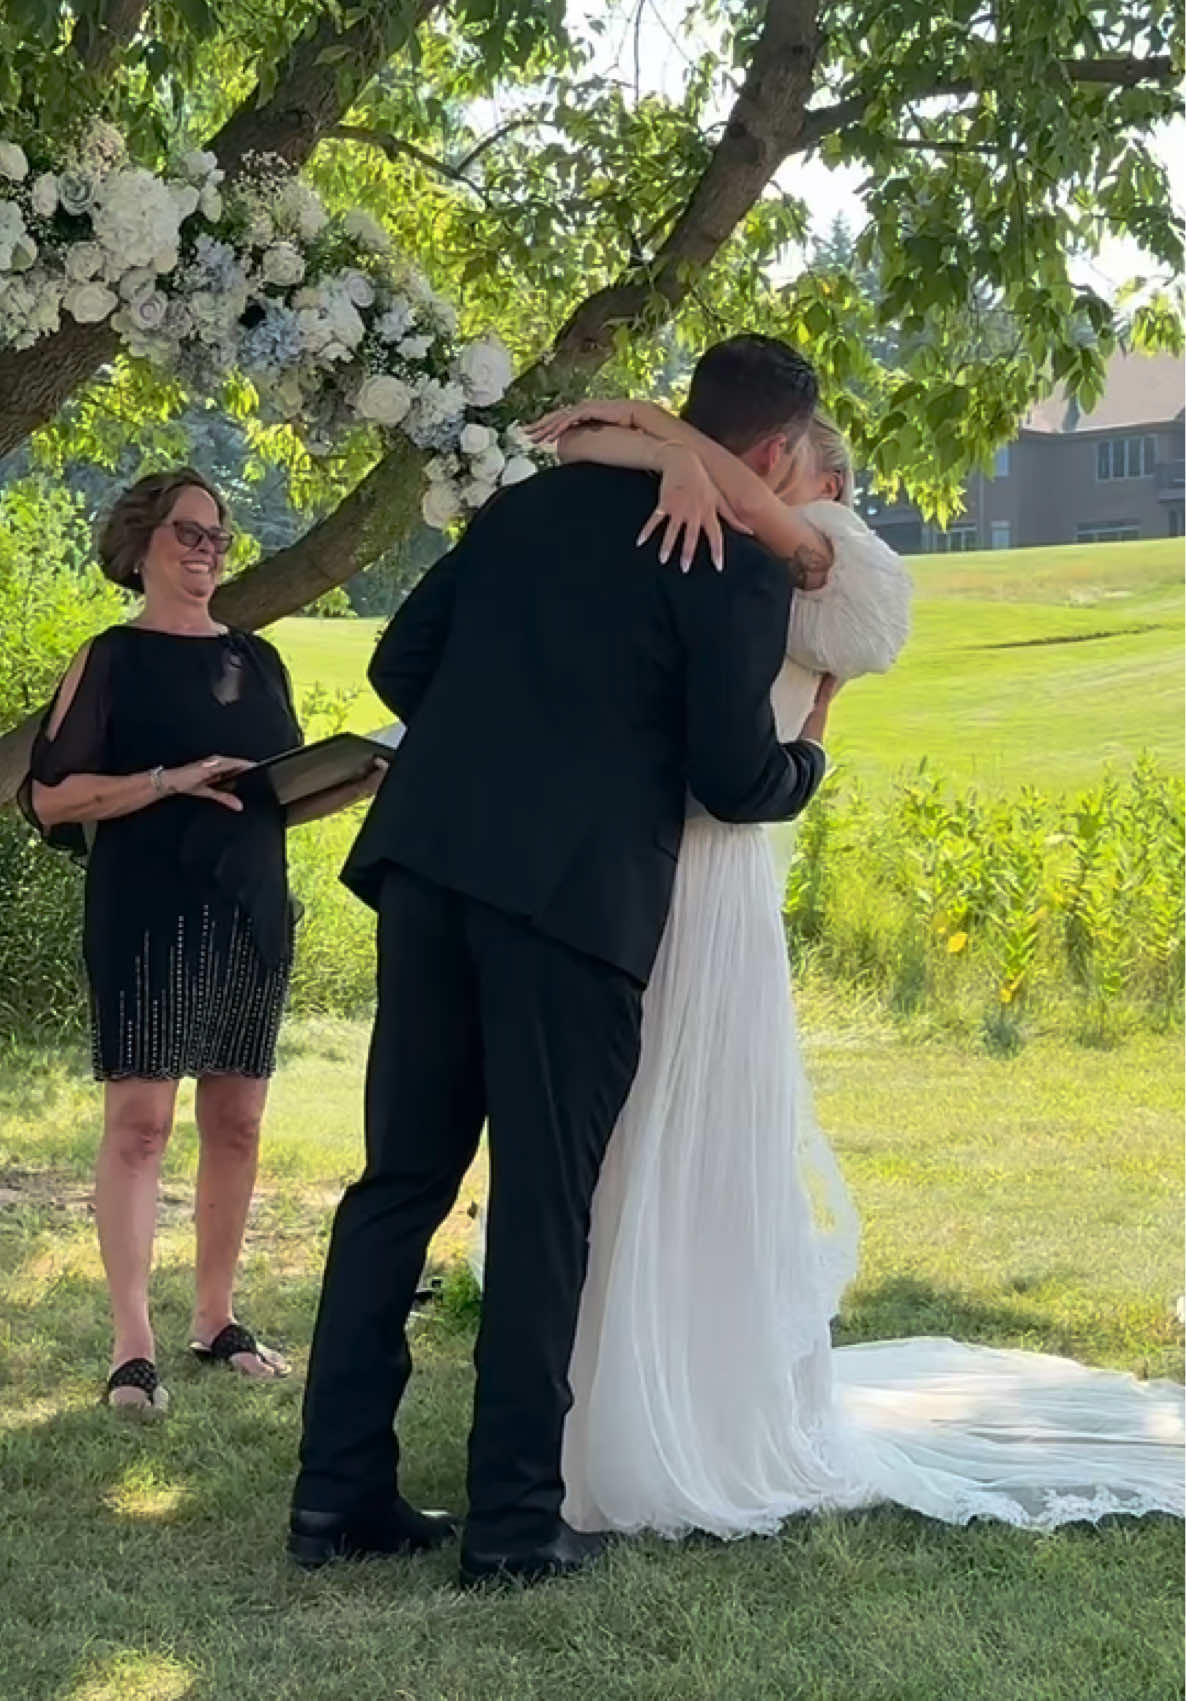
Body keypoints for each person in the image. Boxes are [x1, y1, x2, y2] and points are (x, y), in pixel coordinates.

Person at [496, 396, 1184, 1536]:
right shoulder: (688, 527)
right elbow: (573, 447)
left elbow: (844, 613)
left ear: (783, 469)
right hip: (632, 864)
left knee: (700, 1123)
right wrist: (662, 446)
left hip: (716, 876)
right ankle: (597, 1397)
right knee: (615, 1130)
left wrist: (676, 447)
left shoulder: (822, 555)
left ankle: (695, 1396)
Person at [288, 334, 839, 1588]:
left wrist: (501, 738)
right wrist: (808, 754)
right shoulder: (733, 567)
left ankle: (335, 1499)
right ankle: (514, 1526)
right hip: (574, 903)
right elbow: (731, 778)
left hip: (428, 870)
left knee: (397, 1186)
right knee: (541, 1209)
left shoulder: (526, 506)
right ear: (769, 454)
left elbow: (396, 663)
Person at [21, 469, 381, 1413]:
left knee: (239, 1122)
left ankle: (215, 1319)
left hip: (249, 904)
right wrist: (164, 780)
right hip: (146, 903)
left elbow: (268, 792)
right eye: (190, 532)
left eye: (220, 537)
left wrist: (351, 779)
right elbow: (50, 799)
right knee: (140, 1125)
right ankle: (131, 1344)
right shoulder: (110, 657)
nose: (208, 550)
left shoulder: (258, 661)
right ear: (142, 541)